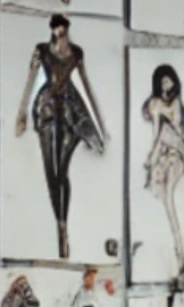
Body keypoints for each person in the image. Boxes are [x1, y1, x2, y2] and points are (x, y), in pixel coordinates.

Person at [15, 14, 107, 261]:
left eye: (62, 30)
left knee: (62, 171)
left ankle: (63, 227)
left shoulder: (76, 53)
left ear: (66, 30)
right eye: (55, 31)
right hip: (46, 110)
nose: (59, 34)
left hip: (68, 111)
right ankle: (60, 226)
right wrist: (21, 114)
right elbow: (31, 79)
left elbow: (87, 86)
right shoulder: (42, 50)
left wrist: (100, 123)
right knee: (50, 171)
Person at [140, 63, 184, 284]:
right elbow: (156, 132)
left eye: (168, 81)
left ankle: (181, 259)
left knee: (168, 197)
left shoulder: (176, 104)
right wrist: (153, 155)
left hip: (175, 151)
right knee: (163, 199)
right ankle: (178, 259)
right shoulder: (155, 104)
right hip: (164, 150)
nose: (165, 85)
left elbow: (174, 130)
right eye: (162, 82)